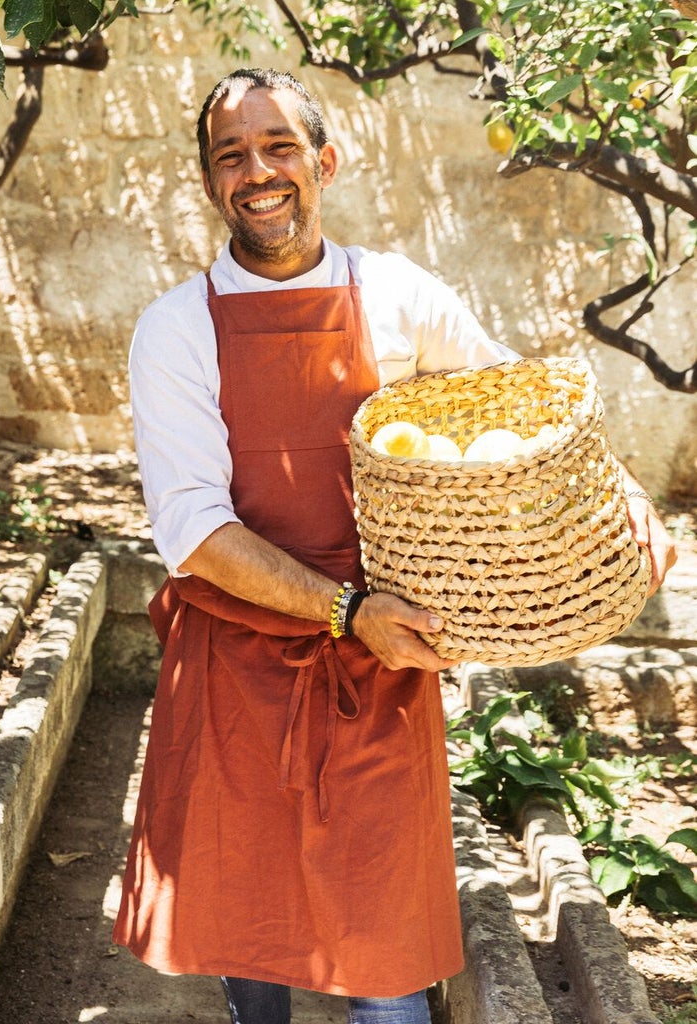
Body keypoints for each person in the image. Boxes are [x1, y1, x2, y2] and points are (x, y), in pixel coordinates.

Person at [113, 68, 677, 1024]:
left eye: (279, 146)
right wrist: (345, 611)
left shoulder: (397, 295)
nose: (257, 172)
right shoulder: (174, 330)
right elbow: (195, 529)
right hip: (235, 669)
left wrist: (618, 495)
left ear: (324, 162)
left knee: (385, 960)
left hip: (384, 664)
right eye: (230, 156)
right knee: (245, 921)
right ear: (211, 184)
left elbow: (522, 409)